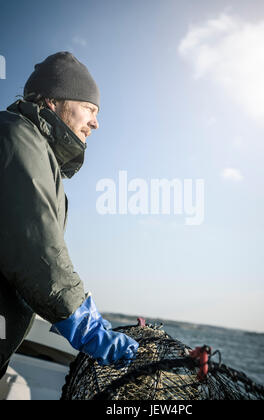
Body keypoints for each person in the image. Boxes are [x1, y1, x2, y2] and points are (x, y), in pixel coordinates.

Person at [0, 52, 139, 379]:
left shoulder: (37, 151)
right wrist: (88, 327)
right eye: (90, 108)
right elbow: (37, 251)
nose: (96, 122)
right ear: (53, 101)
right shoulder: (16, 137)